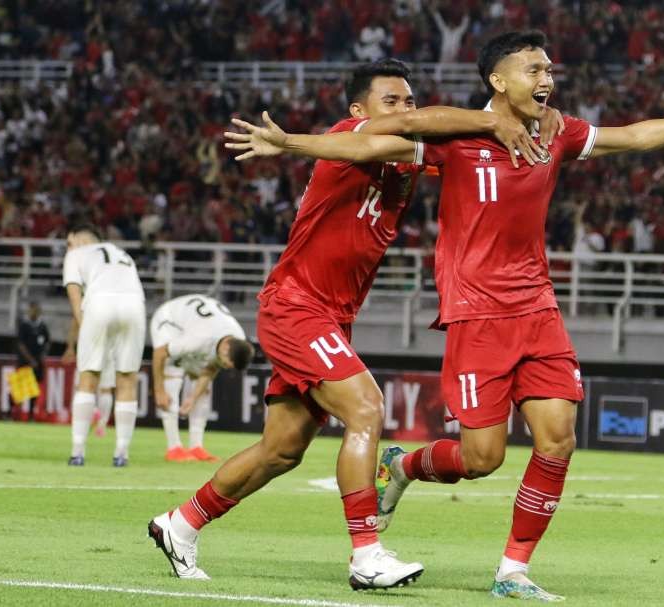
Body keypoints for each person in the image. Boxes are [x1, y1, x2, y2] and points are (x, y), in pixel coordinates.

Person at [227, 31, 664, 601]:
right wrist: (290, 143)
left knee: (557, 438)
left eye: (549, 69)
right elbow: (370, 145)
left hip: (538, 308)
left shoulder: (555, 132)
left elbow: (634, 137)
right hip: (476, 314)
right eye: (533, 69)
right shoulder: (457, 136)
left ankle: (512, 571)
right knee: (481, 458)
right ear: (498, 80)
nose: (547, 79)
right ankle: (405, 467)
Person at [149, 58, 563, 589]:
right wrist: (489, 119)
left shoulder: (407, 159)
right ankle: (366, 554)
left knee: (281, 449)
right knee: (366, 406)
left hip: (332, 317)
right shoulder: (349, 138)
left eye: (409, 100)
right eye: (391, 101)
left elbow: (474, 159)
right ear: (358, 111)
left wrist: (534, 124)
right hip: (295, 305)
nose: (405, 110)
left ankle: (179, 524)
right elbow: (425, 128)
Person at [61, 224, 146, 467]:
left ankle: (78, 452)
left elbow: (74, 293)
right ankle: (121, 453)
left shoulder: (75, 253)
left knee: (88, 378)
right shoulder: (121, 253)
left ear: (77, 240)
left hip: (99, 303)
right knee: (127, 379)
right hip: (134, 305)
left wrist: (83, 325)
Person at [150, 294, 254, 462]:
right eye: (228, 364)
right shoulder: (199, 339)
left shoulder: (237, 339)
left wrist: (192, 398)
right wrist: (159, 389)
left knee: (202, 387)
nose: (227, 367)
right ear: (226, 348)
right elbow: (159, 353)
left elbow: (211, 369)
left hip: (196, 323)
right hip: (169, 321)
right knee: (173, 374)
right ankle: (174, 448)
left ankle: (196, 446)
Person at [14, 301, 49, 420]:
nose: (34, 312)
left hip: (37, 363)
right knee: (20, 388)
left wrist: (43, 355)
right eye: (32, 309)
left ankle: (30, 415)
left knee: (34, 389)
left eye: (36, 309)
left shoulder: (42, 326)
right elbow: (21, 344)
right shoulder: (24, 325)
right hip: (25, 362)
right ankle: (12, 414)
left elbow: (48, 341)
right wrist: (30, 360)